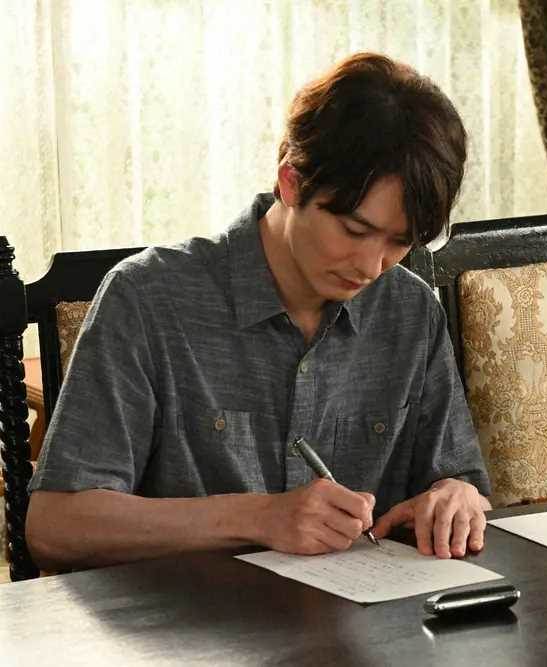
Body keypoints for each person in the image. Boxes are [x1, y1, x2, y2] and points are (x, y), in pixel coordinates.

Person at [26, 53, 491, 571]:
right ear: (291, 182)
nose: (371, 266)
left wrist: (457, 495)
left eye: (400, 242)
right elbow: (55, 526)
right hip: (193, 618)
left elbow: (457, 479)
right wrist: (261, 516)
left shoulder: (409, 311)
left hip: (371, 615)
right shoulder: (147, 298)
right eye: (354, 230)